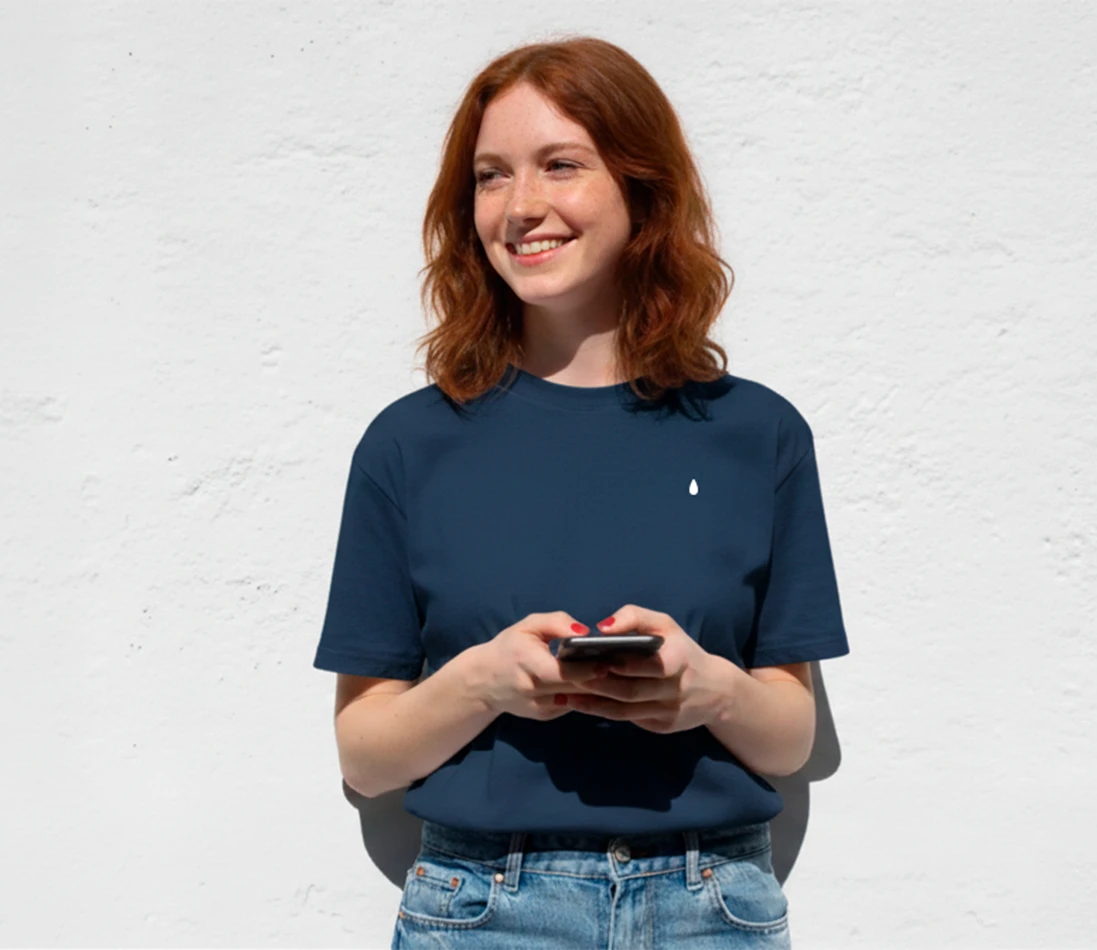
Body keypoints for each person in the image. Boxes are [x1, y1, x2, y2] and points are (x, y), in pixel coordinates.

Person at [312, 36, 849, 949]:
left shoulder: (756, 435)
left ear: (642, 189)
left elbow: (791, 737)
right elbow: (365, 756)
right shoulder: (409, 445)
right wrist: (483, 680)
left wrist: (706, 691)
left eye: (560, 165)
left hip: (711, 907)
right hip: (482, 909)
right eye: (490, 176)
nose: (521, 205)